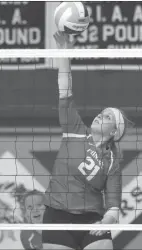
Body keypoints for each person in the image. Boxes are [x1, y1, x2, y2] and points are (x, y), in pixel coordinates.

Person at [42, 32, 134, 250]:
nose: (101, 115)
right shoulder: (74, 129)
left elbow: (112, 205)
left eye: (108, 116)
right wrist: (64, 52)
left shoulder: (112, 162)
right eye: (102, 112)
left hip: (91, 220)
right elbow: (65, 90)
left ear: (114, 132)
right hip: (57, 217)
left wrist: (107, 222)